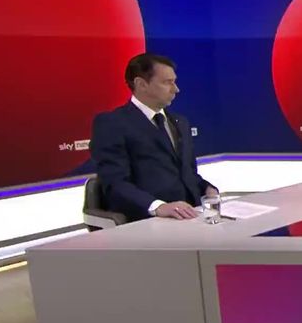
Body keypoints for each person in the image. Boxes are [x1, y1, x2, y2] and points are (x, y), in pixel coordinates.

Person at [90, 53, 217, 222]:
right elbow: (115, 183)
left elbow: (186, 173)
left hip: (192, 215)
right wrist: (158, 207)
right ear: (141, 84)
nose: (176, 89)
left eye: (174, 82)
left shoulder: (180, 123)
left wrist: (207, 188)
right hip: (147, 220)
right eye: (167, 82)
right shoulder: (112, 124)